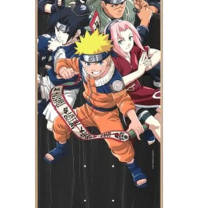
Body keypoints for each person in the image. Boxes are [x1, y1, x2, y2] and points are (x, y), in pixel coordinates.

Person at [45, 30, 148, 188]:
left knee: (117, 143)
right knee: (59, 123)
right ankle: (61, 148)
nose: (94, 68)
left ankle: (133, 167)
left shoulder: (114, 80)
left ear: (108, 59)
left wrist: (134, 119)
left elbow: (123, 100)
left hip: (107, 115)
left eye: (99, 62)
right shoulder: (81, 64)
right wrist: (62, 69)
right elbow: (63, 62)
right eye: (88, 63)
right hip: (87, 110)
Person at [108, 20, 162, 142]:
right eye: (121, 41)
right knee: (154, 123)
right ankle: (149, 126)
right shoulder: (112, 60)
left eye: (130, 37)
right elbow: (116, 85)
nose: (128, 43)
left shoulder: (134, 51)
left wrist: (148, 65)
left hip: (140, 91)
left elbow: (158, 53)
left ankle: (149, 129)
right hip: (125, 98)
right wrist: (139, 72)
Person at [37, 7, 89, 130]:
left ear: (77, 33)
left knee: (52, 125)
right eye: (57, 29)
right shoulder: (54, 40)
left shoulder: (81, 50)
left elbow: (68, 69)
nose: (59, 35)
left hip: (67, 90)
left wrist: (58, 49)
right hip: (49, 82)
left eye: (64, 32)